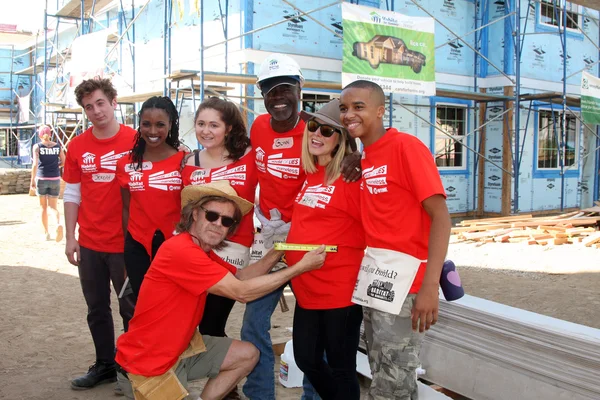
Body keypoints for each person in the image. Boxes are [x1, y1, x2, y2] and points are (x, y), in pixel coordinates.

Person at [115, 181, 327, 400]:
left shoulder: (200, 250)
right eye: (212, 216)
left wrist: (276, 252)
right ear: (195, 214)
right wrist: (299, 268)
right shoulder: (181, 251)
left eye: (226, 221)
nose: (218, 224)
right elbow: (241, 292)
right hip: (145, 369)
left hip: (177, 354)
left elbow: (241, 276)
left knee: (247, 354)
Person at [243, 53, 361, 400]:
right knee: (254, 321)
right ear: (262, 95)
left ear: (300, 88)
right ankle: (260, 394)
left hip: (309, 242)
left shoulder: (316, 126)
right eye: (270, 90)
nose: (278, 97)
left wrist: (359, 155)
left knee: (320, 344)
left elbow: (351, 143)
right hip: (271, 237)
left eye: (285, 89)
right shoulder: (259, 126)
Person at [339, 80, 451, 400]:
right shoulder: (366, 156)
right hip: (377, 278)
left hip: (408, 284)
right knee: (384, 373)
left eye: (358, 107)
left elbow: (441, 218)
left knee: (393, 381)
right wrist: (356, 156)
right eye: (345, 108)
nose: (349, 114)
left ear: (380, 110)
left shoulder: (407, 147)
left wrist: (430, 286)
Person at [286, 99, 364, 400]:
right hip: (306, 287)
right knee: (306, 358)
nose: (316, 134)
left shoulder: (353, 177)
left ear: (342, 139)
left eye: (328, 131)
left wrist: (361, 157)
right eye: (313, 126)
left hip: (339, 291)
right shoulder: (311, 174)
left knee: (342, 366)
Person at [63, 78, 136, 391]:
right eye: (88, 107)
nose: (96, 111)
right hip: (90, 244)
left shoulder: (137, 140)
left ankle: (132, 368)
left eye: (100, 103)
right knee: (96, 309)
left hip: (126, 245)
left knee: (131, 309)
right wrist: (70, 237)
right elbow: (72, 194)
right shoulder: (78, 146)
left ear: (113, 102)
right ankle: (105, 364)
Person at [116, 96, 184, 297]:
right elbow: (126, 208)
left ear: (171, 124)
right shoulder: (125, 163)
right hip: (137, 247)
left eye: (160, 124)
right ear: (139, 124)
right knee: (143, 304)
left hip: (174, 246)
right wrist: (127, 253)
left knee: (172, 303)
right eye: (146, 124)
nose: (153, 131)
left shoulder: (184, 162)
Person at [30, 125, 65, 241]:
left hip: (41, 178)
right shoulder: (57, 146)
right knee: (53, 206)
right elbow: (64, 161)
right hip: (55, 178)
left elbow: (35, 164)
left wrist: (32, 182)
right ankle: (58, 223)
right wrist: (56, 166)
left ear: (40, 135)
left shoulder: (37, 146)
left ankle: (46, 233)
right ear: (50, 134)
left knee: (43, 207)